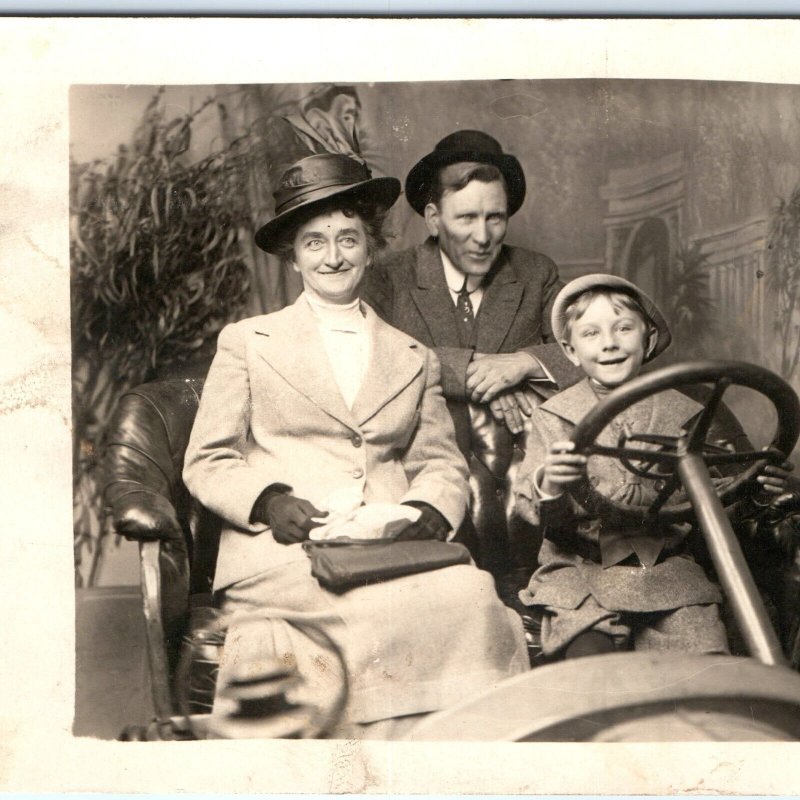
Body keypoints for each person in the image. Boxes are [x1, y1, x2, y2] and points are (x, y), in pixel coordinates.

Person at [182, 153, 529, 739]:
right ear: (293, 257)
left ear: (371, 250)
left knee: (472, 592)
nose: (334, 256)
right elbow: (208, 459)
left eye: (349, 239)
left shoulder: (413, 356)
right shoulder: (248, 342)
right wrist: (268, 502)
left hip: (388, 549)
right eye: (314, 243)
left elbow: (441, 462)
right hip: (284, 551)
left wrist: (424, 512)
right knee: (331, 619)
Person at [513, 273, 793, 660]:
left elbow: (713, 503)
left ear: (647, 339)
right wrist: (550, 483)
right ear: (571, 351)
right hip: (581, 572)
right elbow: (531, 506)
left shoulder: (683, 411)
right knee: (591, 667)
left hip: (668, 571)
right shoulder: (556, 416)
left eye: (624, 328)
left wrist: (755, 490)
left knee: (705, 665)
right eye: (591, 333)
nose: (610, 343)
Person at [362, 129, 580, 578]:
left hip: (528, 479)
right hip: (424, 470)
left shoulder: (536, 272)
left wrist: (523, 364)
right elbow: (374, 358)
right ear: (433, 217)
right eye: (466, 219)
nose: (483, 236)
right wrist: (481, 375)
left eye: (495, 218)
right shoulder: (388, 278)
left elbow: (590, 350)